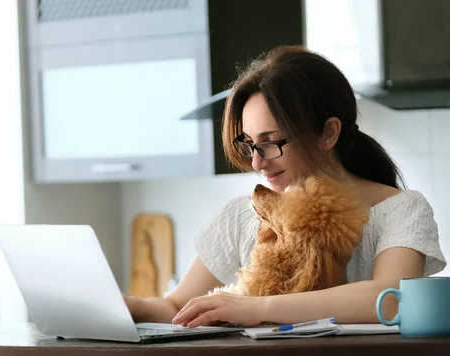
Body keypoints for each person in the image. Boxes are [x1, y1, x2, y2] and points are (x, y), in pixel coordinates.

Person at [124, 45, 446, 328]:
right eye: (249, 144)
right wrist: (126, 306)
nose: (256, 163)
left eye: (272, 142)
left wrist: (259, 308)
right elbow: (177, 307)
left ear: (328, 134)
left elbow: (389, 298)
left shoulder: (401, 210)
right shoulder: (242, 216)